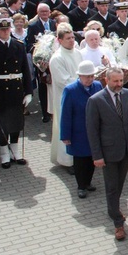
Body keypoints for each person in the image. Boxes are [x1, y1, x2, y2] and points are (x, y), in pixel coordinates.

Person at [86, 67, 128, 241]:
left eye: (121, 81)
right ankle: (117, 222)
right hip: (108, 151)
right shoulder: (95, 101)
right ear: (107, 80)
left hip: (126, 149)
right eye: (115, 81)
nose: (119, 84)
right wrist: (97, 155)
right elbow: (93, 130)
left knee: (119, 184)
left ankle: (113, 208)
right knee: (112, 186)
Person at [0, 17, 33, 169]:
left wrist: (28, 92)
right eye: (1, 29)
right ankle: (4, 153)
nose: (5, 32)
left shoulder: (19, 45)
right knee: (2, 122)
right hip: (0, 89)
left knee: (16, 121)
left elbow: (25, 71)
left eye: (7, 29)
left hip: (16, 88)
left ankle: (15, 151)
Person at [60, 61, 102, 198]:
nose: (89, 79)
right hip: (78, 131)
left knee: (91, 158)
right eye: (86, 76)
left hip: (94, 130)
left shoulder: (98, 86)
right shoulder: (70, 90)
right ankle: (81, 186)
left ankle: (88, 182)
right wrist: (65, 135)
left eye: (91, 76)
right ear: (79, 76)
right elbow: (65, 114)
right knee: (80, 160)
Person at [48, 23, 83, 168]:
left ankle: (81, 157)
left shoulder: (78, 52)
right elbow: (64, 80)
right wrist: (85, 81)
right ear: (59, 40)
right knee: (66, 128)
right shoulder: (57, 58)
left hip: (81, 94)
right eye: (68, 38)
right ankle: (66, 161)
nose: (72, 40)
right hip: (66, 97)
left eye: (73, 37)